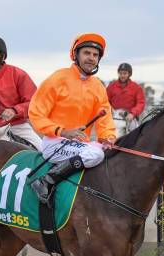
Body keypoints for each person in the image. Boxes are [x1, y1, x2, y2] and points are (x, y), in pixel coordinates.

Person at [28, 33, 117, 204]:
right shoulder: (58, 79)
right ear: (76, 55)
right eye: (87, 53)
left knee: (110, 152)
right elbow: (36, 113)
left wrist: (108, 138)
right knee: (96, 155)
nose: (91, 58)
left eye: (95, 55)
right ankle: (46, 180)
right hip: (55, 143)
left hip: (81, 145)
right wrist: (63, 131)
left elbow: (105, 119)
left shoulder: (98, 86)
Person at [106, 62, 145, 134]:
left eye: (125, 73)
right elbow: (105, 101)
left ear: (129, 74)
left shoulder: (136, 88)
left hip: (129, 116)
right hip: (114, 116)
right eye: (120, 73)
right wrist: (110, 110)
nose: (122, 75)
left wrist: (132, 113)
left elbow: (140, 103)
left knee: (135, 134)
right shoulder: (111, 86)